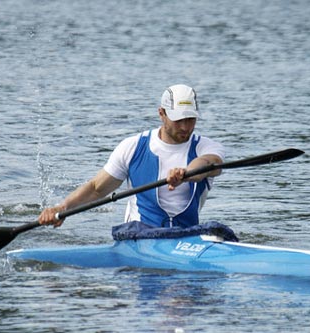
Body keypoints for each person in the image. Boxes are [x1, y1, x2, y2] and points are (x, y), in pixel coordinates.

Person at [38, 84, 225, 229]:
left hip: (187, 236)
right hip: (139, 235)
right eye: (178, 120)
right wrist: (62, 208)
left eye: (190, 119)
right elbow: (96, 188)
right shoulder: (133, 147)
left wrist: (186, 173)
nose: (185, 127)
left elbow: (210, 164)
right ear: (161, 113)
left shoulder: (206, 146)